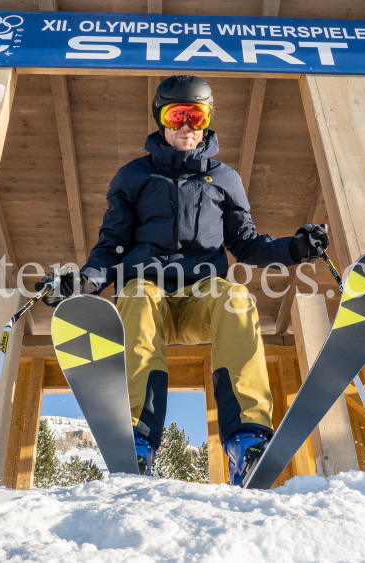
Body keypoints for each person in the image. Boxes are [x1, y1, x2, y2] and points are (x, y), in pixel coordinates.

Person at [37, 75, 328, 486]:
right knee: (136, 293)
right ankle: (137, 441)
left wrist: (295, 250)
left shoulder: (224, 178)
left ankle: (246, 440)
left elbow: (245, 244)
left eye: (197, 116)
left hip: (200, 298)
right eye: (178, 116)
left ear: (208, 120)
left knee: (237, 298)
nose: (187, 127)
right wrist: (83, 284)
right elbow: (112, 247)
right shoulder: (133, 177)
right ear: (161, 120)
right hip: (147, 293)